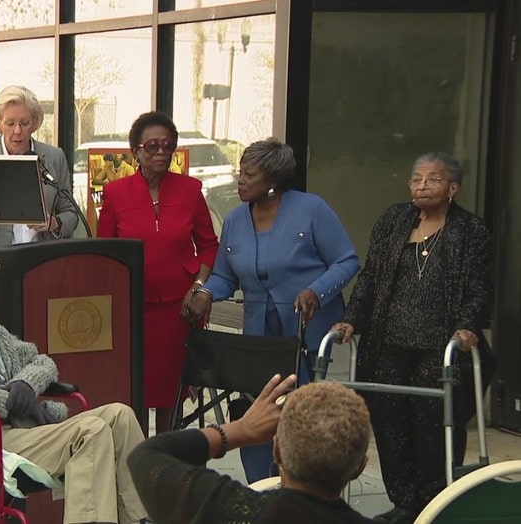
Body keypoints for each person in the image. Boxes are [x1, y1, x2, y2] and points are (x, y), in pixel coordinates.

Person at [0, 246, 151, 524]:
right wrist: (5, 400)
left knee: (121, 415)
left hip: (12, 429)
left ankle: (140, 518)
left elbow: (42, 361)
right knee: (90, 432)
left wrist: (25, 383)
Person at [331, 152, 495, 524]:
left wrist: (469, 324)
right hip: (389, 341)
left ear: (453, 188)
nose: (422, 185)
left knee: (432, 424)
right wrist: (351, 319)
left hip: (439, 345)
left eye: (433, 179)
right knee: (389, 422)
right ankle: (404, 503)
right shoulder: (394, 220)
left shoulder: (471, 231)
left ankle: (436, 501)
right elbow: (371, 277)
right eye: (416, 178)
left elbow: (479, 287)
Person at [185, 137, 360, 483]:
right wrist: (205, 293)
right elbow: (224, 275)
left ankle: (305, 491)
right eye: (241, 172)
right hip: (259, 342)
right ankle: (261, 489)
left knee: (302, 420)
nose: (241, 180)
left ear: (273, 182)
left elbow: (346, 260)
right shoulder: (235, 220)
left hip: (304, 336)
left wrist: (316, 290)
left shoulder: (311, 209)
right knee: (259, 412)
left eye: (250, 175)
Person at [97, 111, 220, 434]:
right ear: (136, 151)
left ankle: (167, 462)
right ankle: (137, 463)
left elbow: (209, 246)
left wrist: (198, 286)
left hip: (180, 309)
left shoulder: (190, 190)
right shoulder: (115, 193)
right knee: (133, 391)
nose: (161, 152)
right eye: (152, 145)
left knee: (171, 394)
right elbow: (104, 255)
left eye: (169, 145)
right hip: (131, 310)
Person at [127, 375, 373, 524]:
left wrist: (241, 429)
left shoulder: (229, 510)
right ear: (360, 466)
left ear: (276, 451)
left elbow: (145, 456)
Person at [0, 85, 79, 257]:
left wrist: (54, 223)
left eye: (24, 123)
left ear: (35, 123)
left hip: (41, 257)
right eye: (10, 123)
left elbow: (71, 214)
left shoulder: (54, 157)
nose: (17, 131)